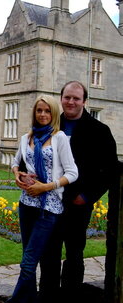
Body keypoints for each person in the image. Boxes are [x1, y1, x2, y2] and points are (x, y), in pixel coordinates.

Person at [39, 81, 118, 299]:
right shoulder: (50, 126)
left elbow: (109, 170)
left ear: (84, 101)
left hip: (77, 204)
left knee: (74, 254)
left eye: (76, 98)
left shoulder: (100, 131)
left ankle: (71, 297)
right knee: (49, 253)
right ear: (61, 98)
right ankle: (48, 296)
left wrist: (87, 197)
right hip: (50, 201)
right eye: (67, 97)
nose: (71, 102)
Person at [7, 95, 78, 303]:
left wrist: (46, 187)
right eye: (39, 110)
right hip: (26, 203)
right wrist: (17, 174)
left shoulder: (60, 138)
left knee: (28, 263)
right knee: (26, 258)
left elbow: (73, 173)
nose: (43, 114)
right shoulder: (26, 137)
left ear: (53, 113)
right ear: (34, 113)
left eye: (47, 111)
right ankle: (29, 299)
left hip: (48, 208)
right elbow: (15, 161)